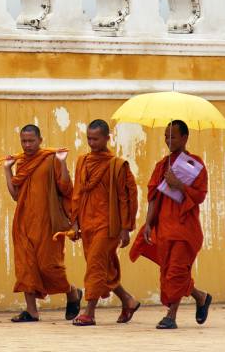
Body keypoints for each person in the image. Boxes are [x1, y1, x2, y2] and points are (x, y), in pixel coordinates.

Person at [130, 120, 212, 329]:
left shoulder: (194, 164)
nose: (168, 140)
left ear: (185, 138)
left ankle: (171, 316)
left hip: (185, 228)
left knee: (176, 272)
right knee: (170, 272)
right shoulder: (161, 166)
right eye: (166, 136)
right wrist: (148, 224)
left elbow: (200, 196)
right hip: (165, 227)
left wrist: (179, 185)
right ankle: (201, 297)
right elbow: (153, 198)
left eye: (173, 136)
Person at [3, 125, 82, 322]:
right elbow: (15, 195)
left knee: (50, 267)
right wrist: (7, 169)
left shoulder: (50, 159)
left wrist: (62, 163)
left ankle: (72, 292)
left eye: (31, 141)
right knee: (25, 267)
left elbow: (66, 188)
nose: (27, 145)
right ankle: (31, 311)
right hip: (23, 223)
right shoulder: (21, 164)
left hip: (48, 224)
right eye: (24, 141)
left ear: (40, 140)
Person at [70, 119, 139, 326]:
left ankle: (89, 312)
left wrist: (126, 228)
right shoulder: (82, 161)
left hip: (108, 224)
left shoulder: (117, 165)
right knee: (103, 267)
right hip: (87, 222)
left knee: (95, 266)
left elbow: (126, 197)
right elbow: (77, 193)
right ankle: (128, 300)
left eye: (96, 138)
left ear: (107, 138)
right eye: (89, 138)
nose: (91, 142)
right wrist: (74, 222)